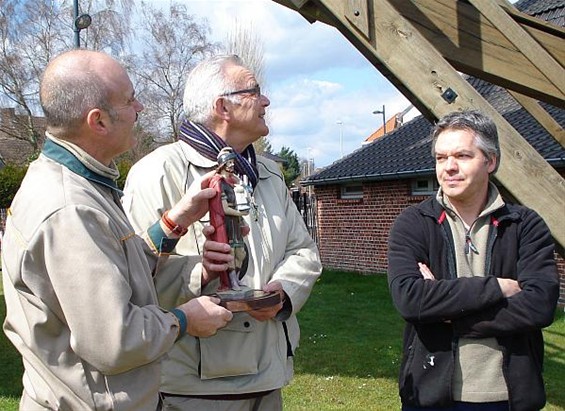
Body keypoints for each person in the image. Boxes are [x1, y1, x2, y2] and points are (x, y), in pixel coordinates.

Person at [1, 49, 234, 411]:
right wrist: (186, 319)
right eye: (130, 100)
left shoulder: (81, 184)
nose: (139, 108)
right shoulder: (70, 209)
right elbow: (115, 340)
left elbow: (119, 270)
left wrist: (177, 222)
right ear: (98, 122)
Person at [122, 54, 322, 410]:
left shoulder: (271, 175)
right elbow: (134, 275)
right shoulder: (157, 172)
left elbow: (303, 251)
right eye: (255, 91)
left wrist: (284, 291)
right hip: (194, 387)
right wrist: (201, 274)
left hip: (269, 377)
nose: (266, 100)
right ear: (222, 107)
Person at [387, 110, 559, 411]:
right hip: (431, 395)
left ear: (490, 161)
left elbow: (540, 305)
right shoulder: (414, 223)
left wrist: (448, 313)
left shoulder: (524, 225)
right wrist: (497, 289)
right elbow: (410, 299)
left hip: (508, 398)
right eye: (441, 158)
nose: (449, 167)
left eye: (463, 156)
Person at [208, 147, 250, 292]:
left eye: (233, 162)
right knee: (231, 253)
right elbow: (224, 208)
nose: (232, 165)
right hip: (227, 224)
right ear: (223, 165)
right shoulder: (221, 184)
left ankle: (236, 278)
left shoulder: (233, 184)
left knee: (241, 253)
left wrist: (242, 219)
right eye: (229, 163)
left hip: (236, 222)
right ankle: (232, 281)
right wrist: (240, 214)